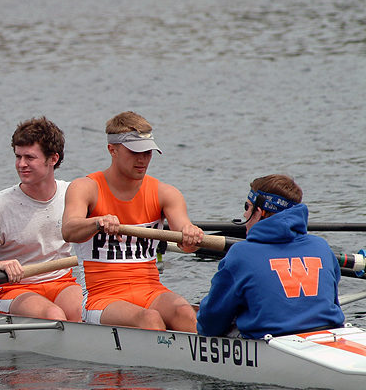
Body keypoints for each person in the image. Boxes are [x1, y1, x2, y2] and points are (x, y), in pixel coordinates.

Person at [61, 111, 203, 331]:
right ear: (112, 150)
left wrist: (191, 234)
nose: (143, 160)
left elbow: (185, 242)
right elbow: (68, 230)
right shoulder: (85, 188)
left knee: (186, 313)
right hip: (102, 297)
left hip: (151, 290)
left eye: (148, 153)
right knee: (150, 320)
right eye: (135, 152)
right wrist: (98, 222)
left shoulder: (166, 193)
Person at [0, 117, 83, 320]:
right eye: (18, 156)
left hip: (61, 281)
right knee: (53, 315)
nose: (21, 164)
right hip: (13, 288)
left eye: (29, 157)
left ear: (53, 159)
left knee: (83, 311)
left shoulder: (73, 195)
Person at [197, 175, 344, 339]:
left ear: (260, 212)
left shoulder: (241, 253)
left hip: (271, 345)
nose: (245, 214)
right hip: (330, 335)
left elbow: (210, 324)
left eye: (247, 206)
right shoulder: (321, 247)